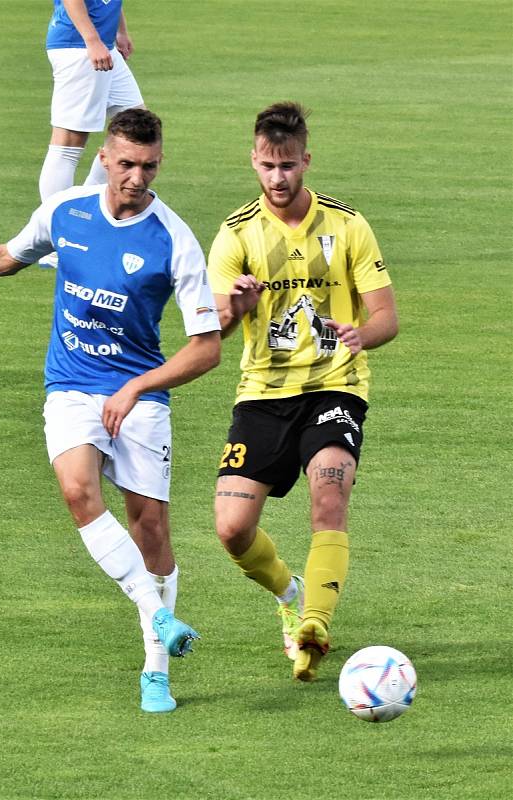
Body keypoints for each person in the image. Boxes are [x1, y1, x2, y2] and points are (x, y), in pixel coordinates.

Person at [0, 108, 221, 712]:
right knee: (79, 492)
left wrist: (135, 389)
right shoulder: (67, 212)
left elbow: (206, 347)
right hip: (73, 384)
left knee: (151, 528)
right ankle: (158, 617)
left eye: (149, 166)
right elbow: (6, 256)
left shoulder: (173, 239)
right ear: (104, 157)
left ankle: (154, 673)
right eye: (127, 163)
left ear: (161, 163)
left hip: (138, 394)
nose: (137, 177)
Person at [207, 101, 398, 682]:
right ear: (254, 162)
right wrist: (235, 307)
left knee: (329, 494)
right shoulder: (235, 234)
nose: (278, 178)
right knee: (232, 530)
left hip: (335, 386)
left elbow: (387, 317)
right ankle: (291, 594)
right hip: (262, 394)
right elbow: (209, 330)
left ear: (305, 161)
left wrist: (361, 333)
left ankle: (315, 623)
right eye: (268, 166)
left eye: (288, 165)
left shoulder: (348, 226)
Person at [39, 0, 145, 267]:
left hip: (103, 43)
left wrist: (120, 30)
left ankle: (85, 207)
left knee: (135, 127)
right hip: (78, 47)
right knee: (68, 145)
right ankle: (57, 238)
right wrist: (92, 40)